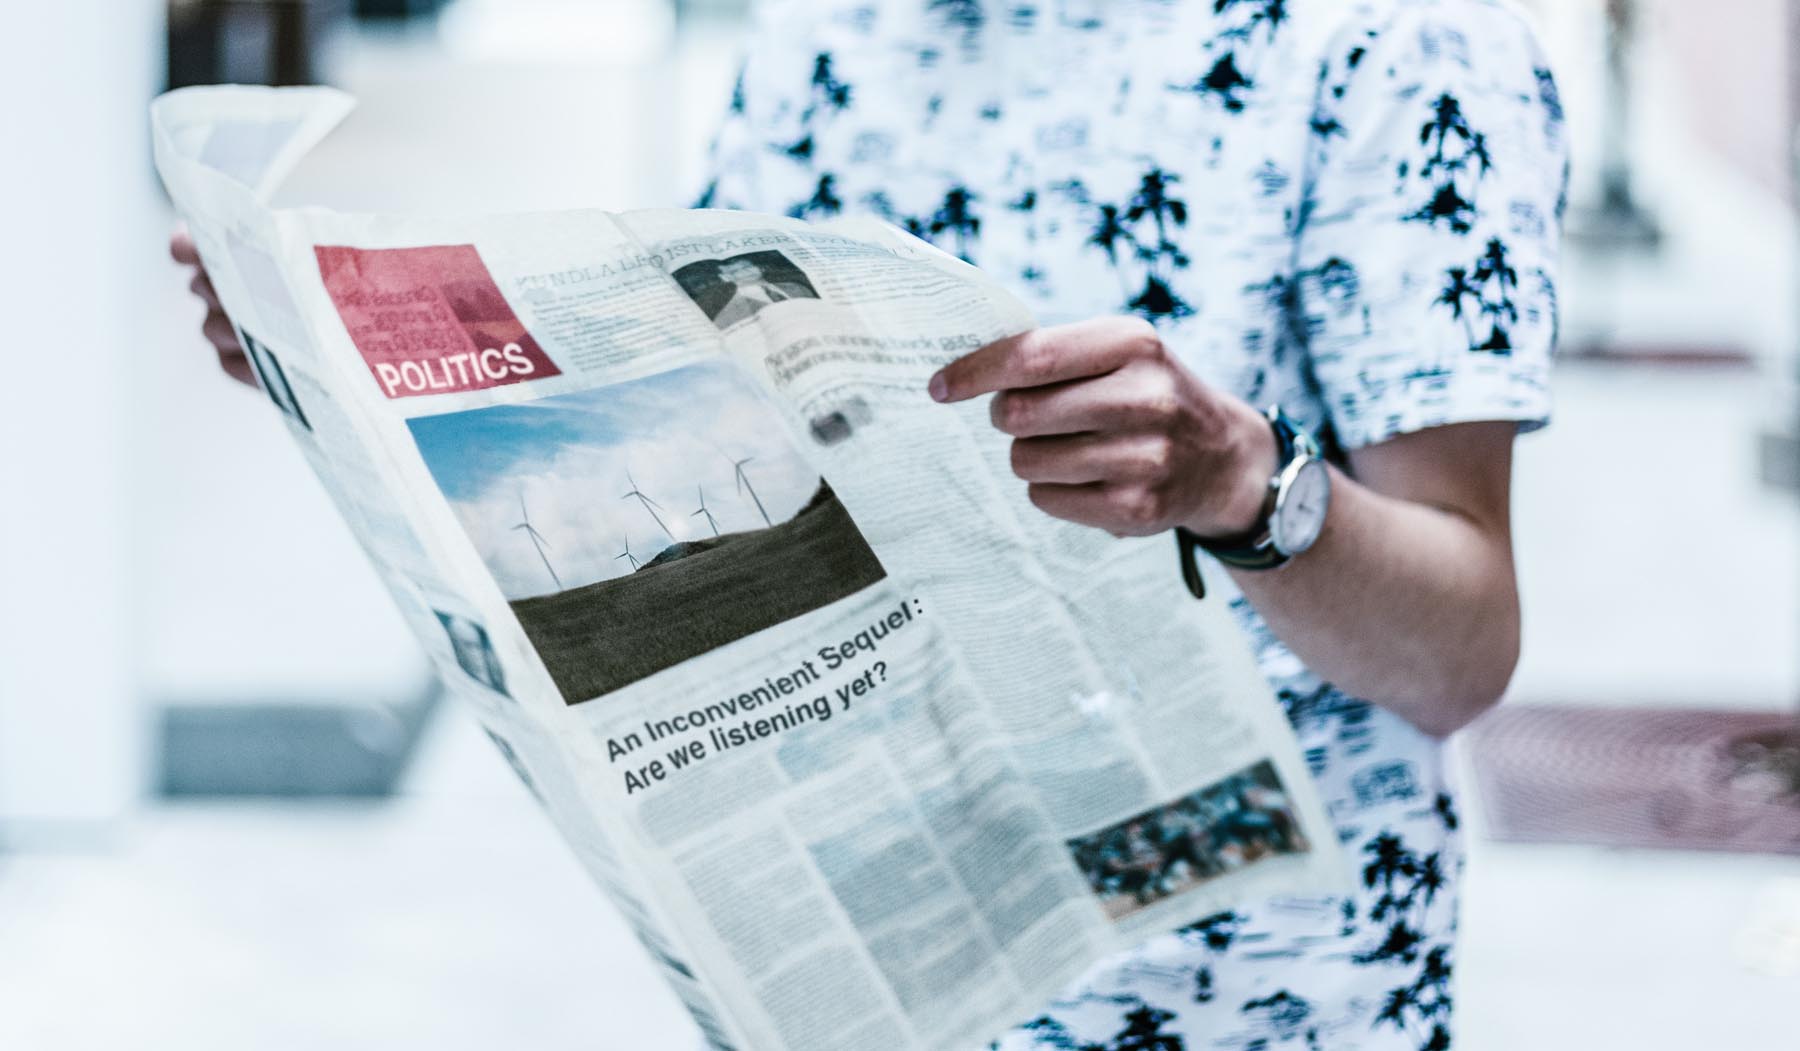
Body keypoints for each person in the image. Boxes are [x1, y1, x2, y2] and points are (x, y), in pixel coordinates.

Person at [174, 1, 1566, 1046]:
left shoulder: (1400, 47)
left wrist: (1245, 488)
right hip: (889, 970)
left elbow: (1461, 649)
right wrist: (350, 378)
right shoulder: (829, 33)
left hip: (1247, 992)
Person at [708, 256, 816, 327]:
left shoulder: (797, 287)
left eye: (747, 266)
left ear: (759, 268)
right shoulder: (726, 317)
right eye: (735, 271)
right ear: (726, 277)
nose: (745, 271)